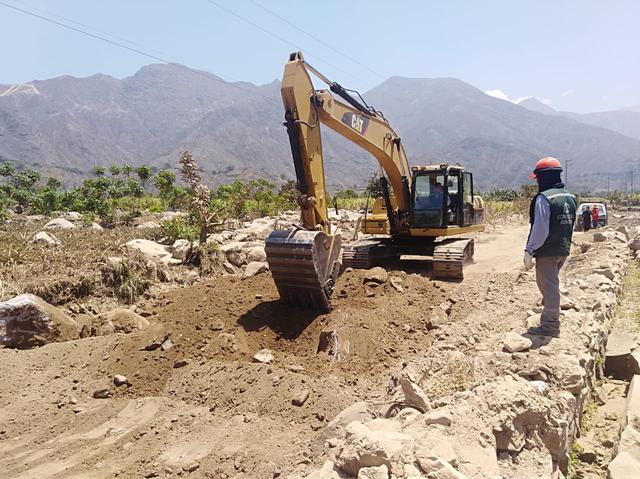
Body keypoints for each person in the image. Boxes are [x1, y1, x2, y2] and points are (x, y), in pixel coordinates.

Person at [523, 157, 576, 337]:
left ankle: (550, 326)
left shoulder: (544, 198)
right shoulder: (569, 196)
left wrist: (529, 250)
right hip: (563, 248)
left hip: (547, 251)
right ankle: (550, 313)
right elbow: (570, 224)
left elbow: (540, 229)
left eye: (537, 178)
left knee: (549, 287)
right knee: (549, 284)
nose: (537, 182)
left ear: (543, 177)